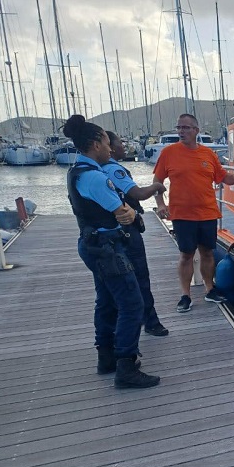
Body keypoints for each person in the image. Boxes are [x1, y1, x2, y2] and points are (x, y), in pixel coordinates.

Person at [63, 114, 161, 388]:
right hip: (107, 248)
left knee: (106, 300)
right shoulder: (95, 177)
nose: (110, 148)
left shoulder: (76, 171)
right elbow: (123, 213)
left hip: (93, 245)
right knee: (132, 304)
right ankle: (126, 365)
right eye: (107, 143)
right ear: (95, 144)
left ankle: (105, 356)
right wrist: (131, 212)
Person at [152, 113, 234, 313]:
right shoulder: (169, 153)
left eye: (185, 128)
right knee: (186, 254)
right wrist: (160, 204)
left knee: (207, 252)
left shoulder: (208, 154)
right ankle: (185, 295)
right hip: (182, 213)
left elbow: (222, 177)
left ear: (196, 130)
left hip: (207, 212)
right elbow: (157, 181)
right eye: (179, 127)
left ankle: (210, 289)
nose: (181, 131)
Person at [103, 131, 168, 337]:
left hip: (109, 233)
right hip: (126, 232)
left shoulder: (95, 170)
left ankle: (124, 322)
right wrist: (157, 186)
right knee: (140, 276)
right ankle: (150, 321)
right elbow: (138, 194)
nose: (123, 146)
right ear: (110, 147)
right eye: (120, 143)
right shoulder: (114, 170)